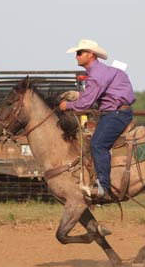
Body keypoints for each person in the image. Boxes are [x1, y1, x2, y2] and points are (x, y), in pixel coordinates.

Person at [58, 39, 136, 201]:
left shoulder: (96, 75)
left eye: (79, 53)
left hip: (115, 114)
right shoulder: (103, 72)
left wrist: (68, 105)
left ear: (91, 54)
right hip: (115, 112)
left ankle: (104, 188)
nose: (76, 57)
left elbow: (86, 102)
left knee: (98, 144)